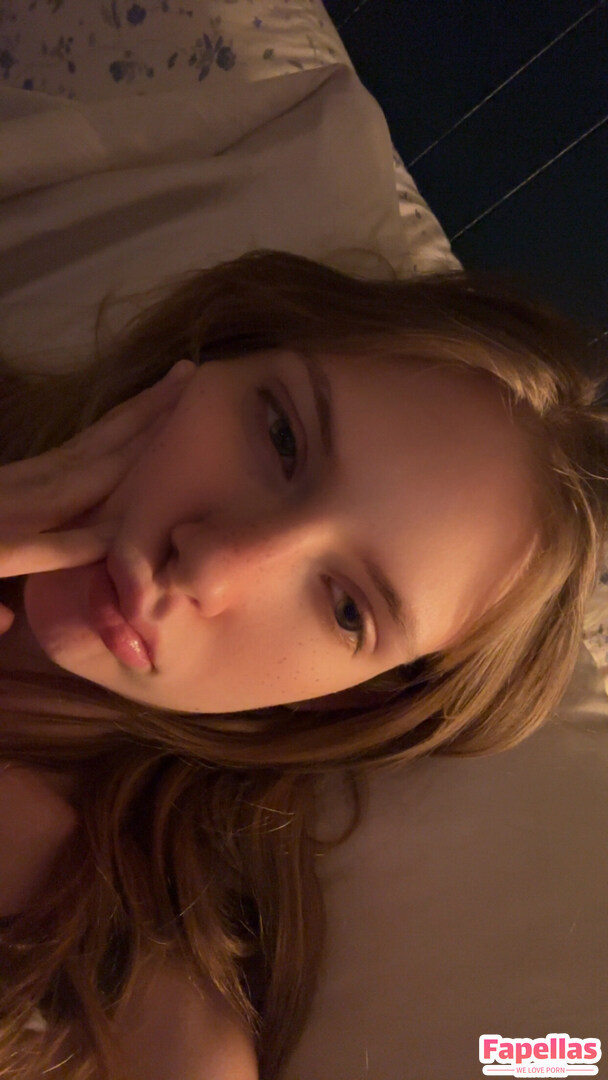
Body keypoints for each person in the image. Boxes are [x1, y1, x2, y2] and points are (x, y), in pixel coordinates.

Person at [0, 248, 606, 1080]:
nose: (209, 563)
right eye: (282, 437)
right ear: (216, 354)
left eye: (348, 609)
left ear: (340, 701)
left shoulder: (141, 1001)